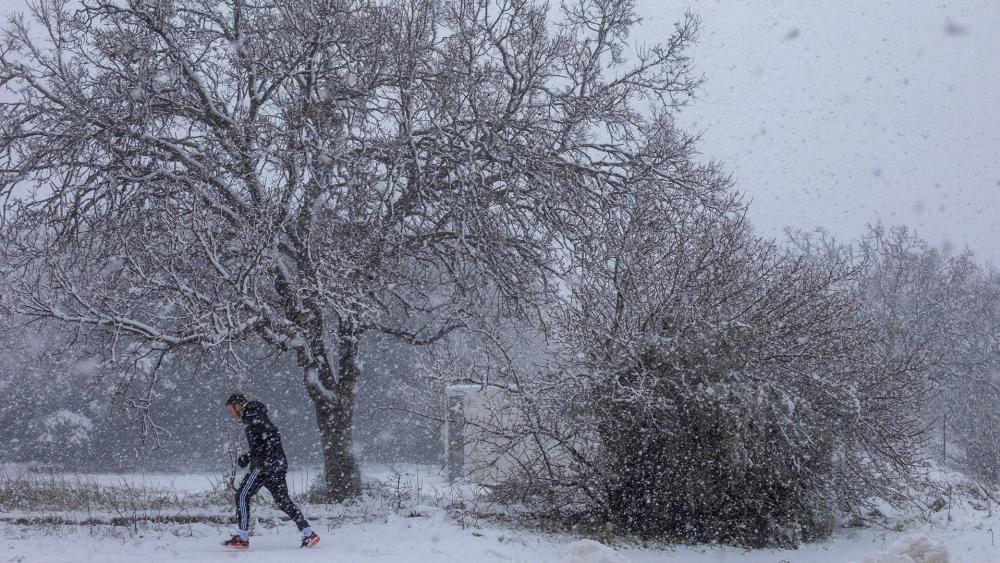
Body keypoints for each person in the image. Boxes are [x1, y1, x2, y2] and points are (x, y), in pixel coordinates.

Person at [221, 393, 320, 550]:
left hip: (264, 466)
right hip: (277, 464)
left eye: (230, 410)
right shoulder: (255, 414)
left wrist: (250, 457)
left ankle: (243, 538)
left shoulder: (252, 415)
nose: (230, 414)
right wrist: (253, 455)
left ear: (237, 406)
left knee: (242, 495)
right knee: (283, 501)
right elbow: (267, 438)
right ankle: (309, 533)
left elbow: (271, 436)